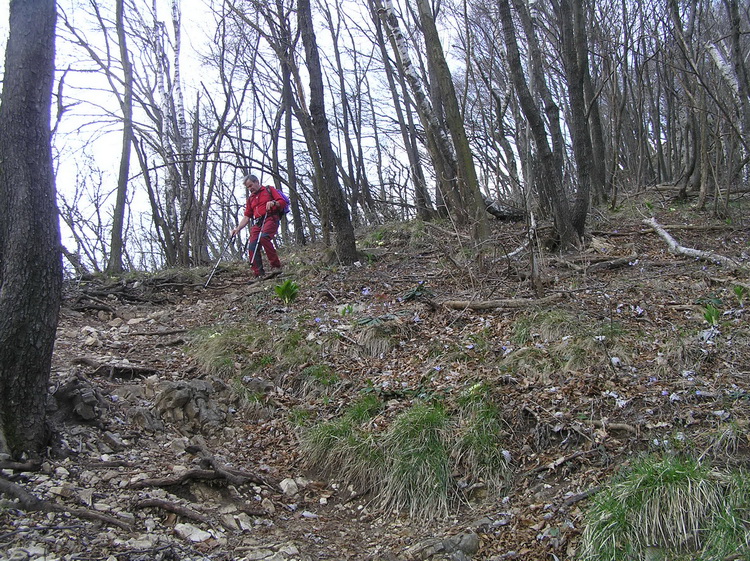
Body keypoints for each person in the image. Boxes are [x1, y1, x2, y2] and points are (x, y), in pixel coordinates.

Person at [231, 174, 288, 281]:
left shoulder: (269, 190)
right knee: (252, 245)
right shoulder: (250, 199)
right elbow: (247, 216)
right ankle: (258, 274)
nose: (250, 188)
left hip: (271, 218)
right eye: (248, 187)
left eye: (251, 185)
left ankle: (276, 267)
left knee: (264, 237)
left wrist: (273, 203)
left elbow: (282, 202)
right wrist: (237, 229)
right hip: (258, 223)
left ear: (256, 182)